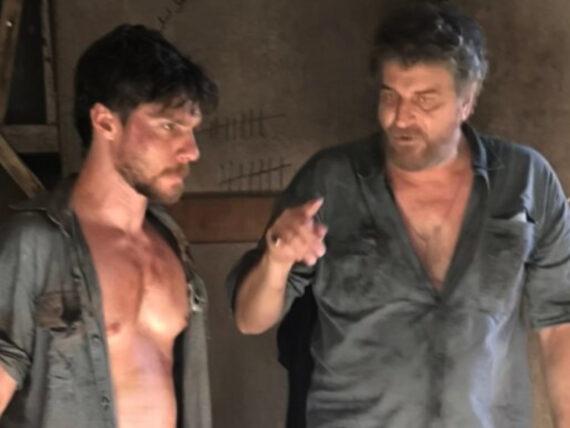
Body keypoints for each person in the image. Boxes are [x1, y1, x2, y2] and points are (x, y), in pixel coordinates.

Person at [226, 3, 570, 427]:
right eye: (390, 95)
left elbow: (561, 325)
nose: (401, 118)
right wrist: (276, 260)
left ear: (466, 101)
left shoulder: (525, 179)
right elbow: (250, 319)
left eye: (425, 100)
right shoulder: (330, 180)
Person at [0, 24, 217, 427]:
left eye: (191, 131)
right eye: (169, 126)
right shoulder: (34, 244)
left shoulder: (169, 243)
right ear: (105, 122)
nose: (191, 151)